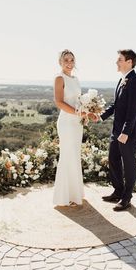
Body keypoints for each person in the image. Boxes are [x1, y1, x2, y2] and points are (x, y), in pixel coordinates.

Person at [100, 49, 136, 211]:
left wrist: (125, 132)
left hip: (127, 133)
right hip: (115, 130)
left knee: (129, 164)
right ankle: (118, 191)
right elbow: (115, 105)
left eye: (119, 59)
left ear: (129, 62)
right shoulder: (121, 80)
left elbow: (133, 110)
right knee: (113, 160)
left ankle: (127, 198)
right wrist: (100, 116)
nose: (116, 62)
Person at [53, 49, 86, 207]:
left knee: (75, 155)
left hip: (77, 123)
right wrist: (77, 113)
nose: (69, 63)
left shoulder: (76, 79)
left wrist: (86, 112)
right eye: (66, 60)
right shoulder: (60, 78)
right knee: (67, 155)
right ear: (60, 62)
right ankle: (64, 196)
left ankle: (75, 194)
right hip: (66, 122)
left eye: (72, 60)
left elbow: (79, 101)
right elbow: (59, 102)